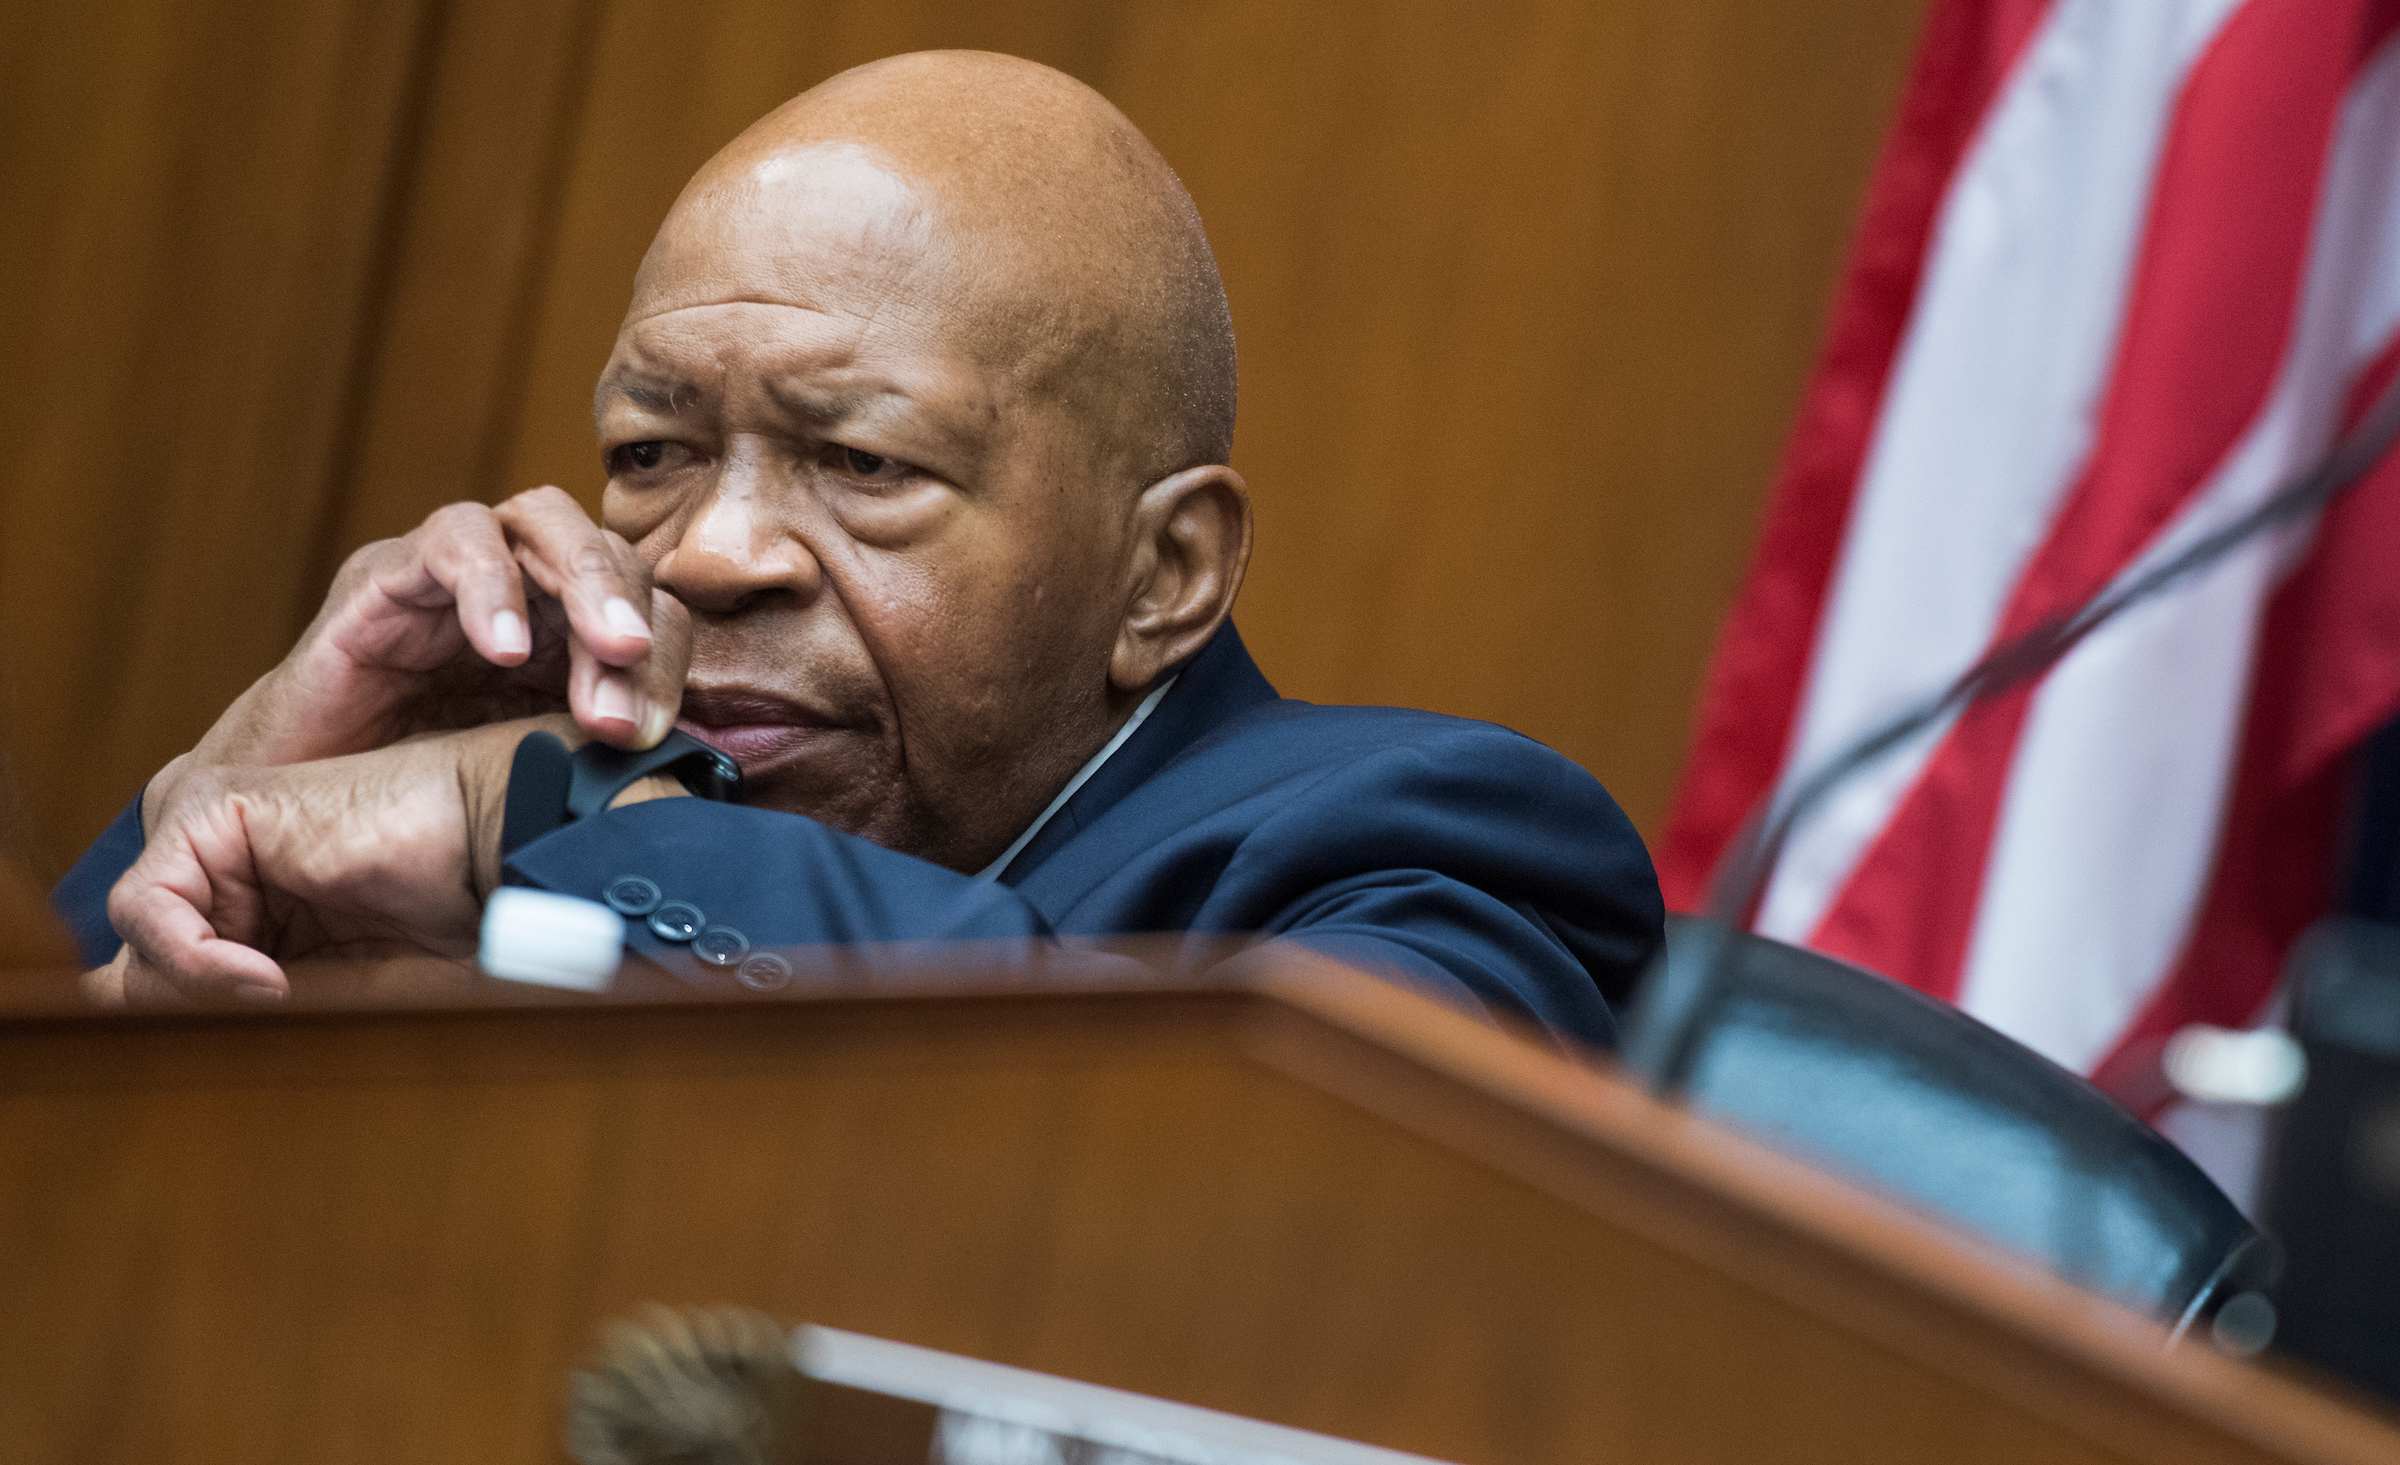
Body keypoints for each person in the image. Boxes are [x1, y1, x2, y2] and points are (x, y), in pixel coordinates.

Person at [52, 51, 1662, 1047]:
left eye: (862, 461)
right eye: (652, 454)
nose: (709, 556)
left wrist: (544, 813)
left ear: (1164, 574)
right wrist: (264, 765)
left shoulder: (1428, 845)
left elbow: (1260, 1169)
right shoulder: (556, 816)